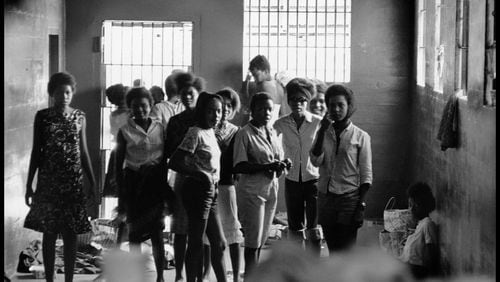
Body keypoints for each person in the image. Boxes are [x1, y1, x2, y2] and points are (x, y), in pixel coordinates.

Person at [24, 72, 97, 282]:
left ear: (72, 93)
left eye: (67, 92)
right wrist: (30, 185)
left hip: (73, 183)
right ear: (52, 93)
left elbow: (83, 152)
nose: (64, 96)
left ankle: (69, 279)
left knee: (71, 233)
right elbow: (36, 152)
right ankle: (49, 278)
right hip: (49, 183)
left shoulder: (79, 116)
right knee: (49, 231)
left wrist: (92, 182)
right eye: (59, 92)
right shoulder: (43, 117)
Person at [114, 87, 173, 282]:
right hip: (134, 185)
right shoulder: (124, 131)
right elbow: (118, 165)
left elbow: (164, 159)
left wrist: (164, 188)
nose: (140, 110)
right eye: (135, 106)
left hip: (154, 185)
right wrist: (122, 196)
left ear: (151, 106)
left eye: (144, 106)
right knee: (135, 233)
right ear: (130, 108)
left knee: (157, 232)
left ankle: (160, 277)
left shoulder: (160, 128)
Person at [169, 92, 228, 282]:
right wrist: (198, 172)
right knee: (195, 243)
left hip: (212, 192)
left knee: (219, 244)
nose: (215, 115)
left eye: (219, 111)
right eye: (211, 111)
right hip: (197, 191)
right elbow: (175, 162)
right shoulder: (195, 132)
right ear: (202, 111)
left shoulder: (211, 132)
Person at [310, 84, 372, 254]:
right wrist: (322, 130)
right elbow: (315, 160)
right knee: (333, 249)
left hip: (349, 200)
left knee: (346, 251)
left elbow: (366, 175)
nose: (336, 109)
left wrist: (361, 206)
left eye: (340, 105)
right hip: (326, 199)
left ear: (349, 107)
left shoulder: (361, 136)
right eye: (332, 105)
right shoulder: (323, 132)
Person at [233, 92, 287, 277]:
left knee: (261, 240)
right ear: (252, 110)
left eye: (270, 109)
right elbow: (239, 165)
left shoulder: (272, 132)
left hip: (271, 190)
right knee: (252, 241)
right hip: (252, 192)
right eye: (261, 109)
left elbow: (275, 159)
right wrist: (267, 166)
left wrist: (282, 164)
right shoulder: (244, 133)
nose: (266, 112)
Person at [164, 72, 210, 282]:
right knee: (180, 229)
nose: (187, 97)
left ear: (198, 93)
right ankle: (180, 274)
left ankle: (203, 274)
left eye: (191, 93)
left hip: (203, 179)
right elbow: (169, 152)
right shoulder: (174, 121)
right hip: (181, 177)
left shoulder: (205, 119)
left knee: (201, 231)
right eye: (184, 94)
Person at [273, 78, 323, 256]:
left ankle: (313, 268)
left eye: (302, 100)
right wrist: (278, 159)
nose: (298, 104)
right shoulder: (281, 123)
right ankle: (296, 267)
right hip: (292, 180)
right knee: (295, 227)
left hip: (313, 180)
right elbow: (270, 142)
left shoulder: (318, 123)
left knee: (314, 228)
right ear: (289, 101)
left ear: (307, 101)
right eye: (293, 99)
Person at [214, 88, 244, 282]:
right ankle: (215, 277)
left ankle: (235, 277)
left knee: (233, 231)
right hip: (208, 186)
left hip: (227, 185)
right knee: (211, 236)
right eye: (222, 105)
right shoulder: (207, 129)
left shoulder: (236, 131)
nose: (225, 109)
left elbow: (239, 160)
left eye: (229, 105)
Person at [400, 182, 439, 279]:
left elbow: (432, 256)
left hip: (417, 273)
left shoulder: (427, 224)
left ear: (425, 206)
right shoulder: (420, 225)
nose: (411, 209)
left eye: (416, 205)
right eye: (410, 205)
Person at [243, 55, 287, 124]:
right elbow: (283, 112)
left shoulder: (262, 85)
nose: (255, 80)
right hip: (276, 126)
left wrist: (246, 82)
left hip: (262, 126)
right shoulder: (279, 86)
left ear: (266, 71)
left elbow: (248, 107)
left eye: (256, 75)